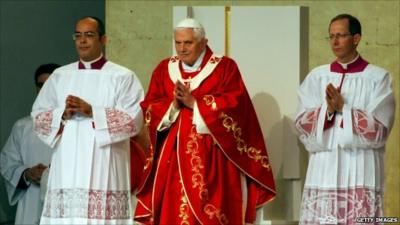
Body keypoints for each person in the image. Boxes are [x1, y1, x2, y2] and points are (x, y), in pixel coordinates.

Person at [134, 18, 276, 225]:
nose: (181, 49)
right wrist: (172, 105)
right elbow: (150, 105)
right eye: (178, 43)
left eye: (188, 43)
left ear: (203, 42)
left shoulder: (224, 67)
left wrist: (195, 103)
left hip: (213, 159)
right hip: (172, 159)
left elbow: (235, 105)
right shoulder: (165, 68)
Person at [31, 16, 144, 224]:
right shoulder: (60, 76)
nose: (82, 40)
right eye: (78, 35)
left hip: (106, 162)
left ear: (103, 39)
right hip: (67, 164)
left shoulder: (122, 76)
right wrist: (62, 113)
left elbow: (134, 119)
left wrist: (93, 111)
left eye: (89, 35)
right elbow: (38, 116)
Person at [295, 14, 395, 225]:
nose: (334, 42)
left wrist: (344, 108)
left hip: (361, 164)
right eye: (331, 36)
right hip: (324, 166)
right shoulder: (317, 77)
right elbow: (301, 123)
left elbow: (380, 129)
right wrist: (327, 112)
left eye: (340, 35)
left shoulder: (378, 78)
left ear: (356, 38)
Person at [0, 63, 60, 225]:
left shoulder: (76, 126)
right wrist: (26, 173)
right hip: (31, 200)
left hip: (62, 200)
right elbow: (7, 162)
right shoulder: (23, 126)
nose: (45, 89)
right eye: (41, 85)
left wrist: (51, 175)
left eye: (51, 84)